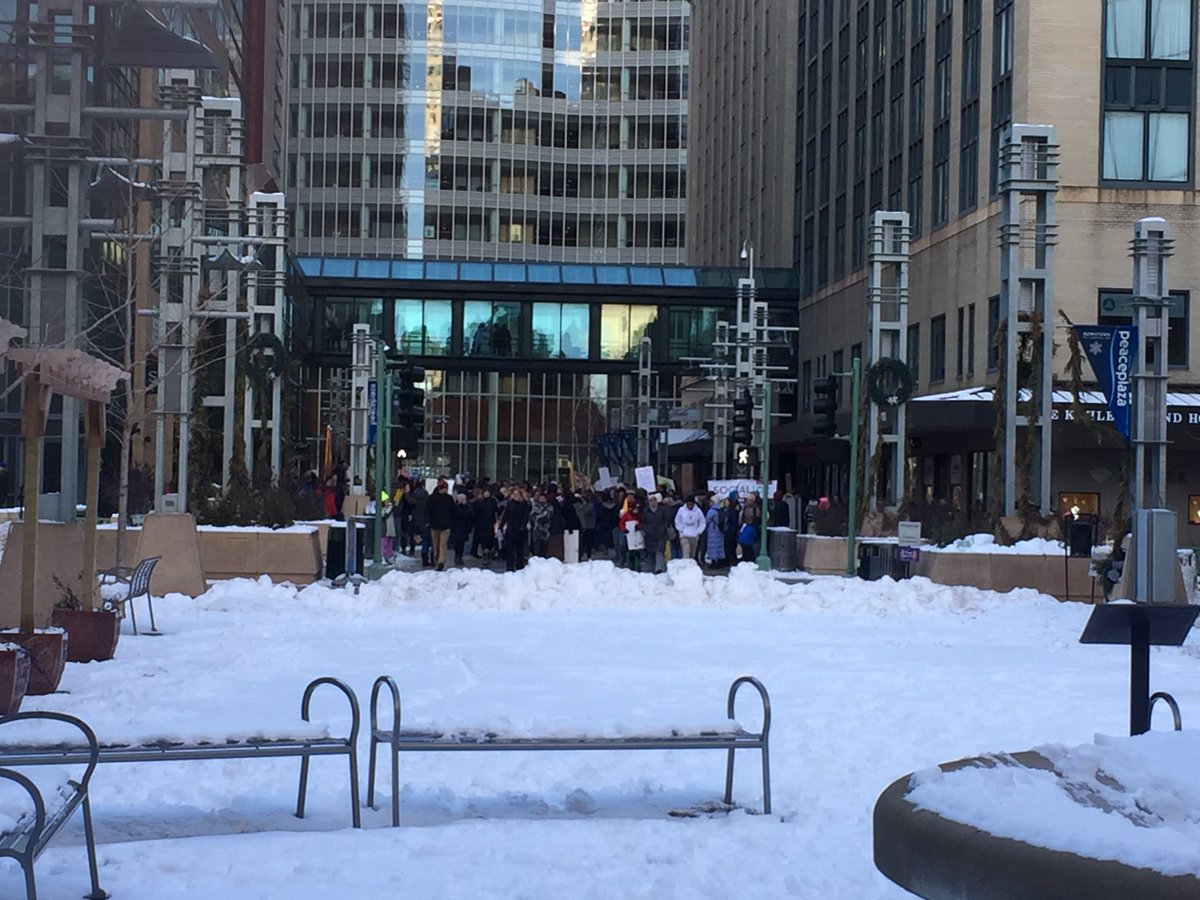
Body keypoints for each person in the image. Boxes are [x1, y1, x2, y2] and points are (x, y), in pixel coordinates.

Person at [500, 487, 531, 571]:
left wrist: (522, 526)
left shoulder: (525, 505)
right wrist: (501, 525)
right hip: (511, 529)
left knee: (519, 550)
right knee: (510, 549)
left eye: (517, 495)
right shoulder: (510, 504)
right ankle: (510, 566)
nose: (516, 496)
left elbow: (525, 517)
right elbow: (505, 515)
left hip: (520, 530)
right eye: (514, 495)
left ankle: (519, 565)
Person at [427, 480, 455, 570]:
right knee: (438, 544)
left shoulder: (432, 498)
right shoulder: (448, 498)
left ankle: (440, 561)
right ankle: (438, 560)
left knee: (441, 544)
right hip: (440, 524)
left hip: (441, 525)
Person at [405, 481, 431, 564]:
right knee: (426, 538)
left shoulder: (414, 495)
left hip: (415, 517)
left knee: (413, 534)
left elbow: (411, 503)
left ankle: (413, 549)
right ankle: (426, 557)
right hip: (424, 519)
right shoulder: (426, 496)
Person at [674, 495, 706, 563]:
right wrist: (681, 530)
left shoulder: (698, 511)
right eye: (688, 504)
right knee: (686, 553)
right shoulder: (681, 510)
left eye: (691, 504)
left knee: (692, 554)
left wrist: (698, 532)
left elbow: (702, 522)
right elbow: (677, 521)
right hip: (684, 536)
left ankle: (692, 569)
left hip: (694, 536)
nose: (690, 505)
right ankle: (686, 568)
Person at [471, 489, 499, 561]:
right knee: (483, 539)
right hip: (481, 524)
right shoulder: (478, 503)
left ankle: (489, 551)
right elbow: (474, 512)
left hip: (490, 523)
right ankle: (485, 553)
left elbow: (496, 512)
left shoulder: (493, 502)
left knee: (490, 539)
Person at [619, 499, 644, 571]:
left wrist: (638, 526)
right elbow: (622, 523)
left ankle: (638, 566)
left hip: (637, 536)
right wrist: (624, 529)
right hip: (629, 536)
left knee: (638, 552)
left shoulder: (639, 516)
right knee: (630, 552)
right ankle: (631, 565)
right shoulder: (626, 515)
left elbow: (642, 523)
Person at [450, 493, 474, 566]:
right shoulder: (455, 507)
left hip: (464, 528)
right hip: (457, 528)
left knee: (462, 544)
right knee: (458, 544)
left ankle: (459, 557)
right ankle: (458, 557)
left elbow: (471, 517)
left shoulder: (468, 507)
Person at [529, 492, 553, 558]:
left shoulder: (549, 506)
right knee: (536, 546)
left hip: (545, 530)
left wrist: (540, 516)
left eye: (543, 498)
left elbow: (547, 516)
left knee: (544, 546)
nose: (542, 500)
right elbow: (533, 516)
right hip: (536, 529)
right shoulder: (535, 506)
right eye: (540, 498)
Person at [704, 499, 725, 568]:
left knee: (712, 546)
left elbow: (707, 521)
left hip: (712, 530)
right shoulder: (721, 510)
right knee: (719, 545)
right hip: (720, 530)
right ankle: (720, 561)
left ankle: (713, 562)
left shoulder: (711, 511)